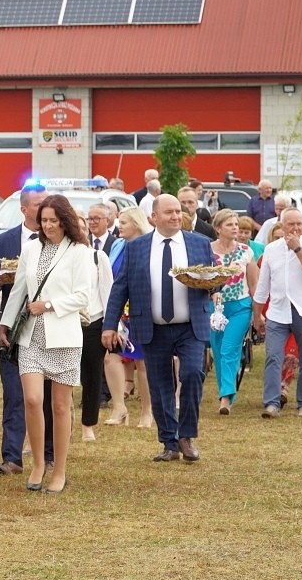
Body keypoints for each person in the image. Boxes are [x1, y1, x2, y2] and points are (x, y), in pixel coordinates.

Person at [103, 194, 215, 463]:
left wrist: (212, 283)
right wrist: (110, 325)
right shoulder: (137, 247)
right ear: (154, 217)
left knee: (191, 373)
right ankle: (169, 441)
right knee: (160, 384)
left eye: (178, 211)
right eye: (169, 212)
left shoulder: (199, 244)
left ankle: (186, 436)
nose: (176, 216)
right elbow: (121, 287)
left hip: (190, 325)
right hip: (152, 326)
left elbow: (213, 280)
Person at [0, 195, 93, 494]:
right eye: (44, 220)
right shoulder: (30, 248)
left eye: (54, 220)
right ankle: (38, 463)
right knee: (32, 400)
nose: (48, 225)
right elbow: (19, 290)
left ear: (65, 220)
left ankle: (59, 470)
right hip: (30, 336)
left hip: (64, 336)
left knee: (60, 406)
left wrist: (49, 304)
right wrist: (6, 322)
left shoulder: (79, 251)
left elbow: (83, 297)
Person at [0, 183, 49, 476]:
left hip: (51, 327)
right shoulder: (2, 243)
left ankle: (48, 454)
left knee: (47, 396)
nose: (44, 209)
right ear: (24, 209)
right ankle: (12, 458)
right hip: (12, 330)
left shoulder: (61, 242)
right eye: (39, 204)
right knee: (14, 394)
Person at [252, 208, 302, 416]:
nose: (296, 228)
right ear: (281, 226)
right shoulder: (271, 250)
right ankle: (272, 403)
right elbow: (263, 285)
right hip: (277, 312)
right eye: (291, 224)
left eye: (299, 223)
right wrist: (257, 314)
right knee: (273, 357)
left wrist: (298, 249)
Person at [102, 207, 155, 429]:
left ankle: (147, 410)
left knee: (142, 362)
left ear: (136, 223)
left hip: (142, 309)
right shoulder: (117, 245)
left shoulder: (150, 247)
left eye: (124, 222)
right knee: (110, 357)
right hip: (119, 310)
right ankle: (119, 407)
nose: (119, 226)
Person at [209, 209, 259, 414]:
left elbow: (254, 285)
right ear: (218, 228)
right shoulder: (207, 250)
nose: (235, 228)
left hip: (241, 307)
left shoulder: (246, 251)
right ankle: (225, 391)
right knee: (218, 350)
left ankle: (226, 397)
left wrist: (258, 313)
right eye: (230, 224)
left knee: (230, 349)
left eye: (236, 224)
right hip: (215, 309)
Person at [80, 220, 114, 442]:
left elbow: (108, 292)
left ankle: (88, 424)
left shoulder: (97, 257)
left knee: (92, 375)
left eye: (82, 227)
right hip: (63, 322)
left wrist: (111, 326)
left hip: (93, 322)